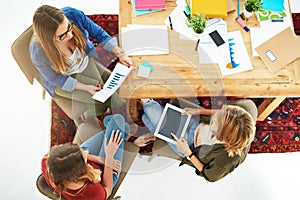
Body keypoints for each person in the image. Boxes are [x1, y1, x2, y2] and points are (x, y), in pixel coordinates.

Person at [30, 5, 133, 127]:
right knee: (107, 104)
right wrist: (86, 88)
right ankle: (87, 117)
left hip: (84, 63)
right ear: (49, 39)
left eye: (69, 27)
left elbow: (98, 33)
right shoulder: (38, 52)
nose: (70, 35)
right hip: (64, 79)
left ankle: (102, 111)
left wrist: (120, 53)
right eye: (62, 36)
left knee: (114, 88)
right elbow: (55, 79)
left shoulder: (73, 14)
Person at [140, 98, 257, 182]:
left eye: (216, 121)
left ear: (223, 136)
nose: (215, 116)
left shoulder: (227, 160)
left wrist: (187, 153)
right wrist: (198, 111)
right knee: (151, 120)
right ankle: (153, 127)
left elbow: (210, 176)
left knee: (150, 114)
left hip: (189, 145)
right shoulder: (241, 117)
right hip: (197, 124)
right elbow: (223, 114)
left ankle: (143, 100)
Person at [42, 114, 129, 199]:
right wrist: (109, 157)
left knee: (118, 125)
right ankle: (124, 131)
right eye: (84, 157)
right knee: (118, 120)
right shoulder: (92, 193)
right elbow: (108, 189)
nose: (86, 152)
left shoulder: (47, 160)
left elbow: (83, 152)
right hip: (104, 173)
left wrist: (100, 159)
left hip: (79, 161)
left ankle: (123, 130)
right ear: (83, 170)